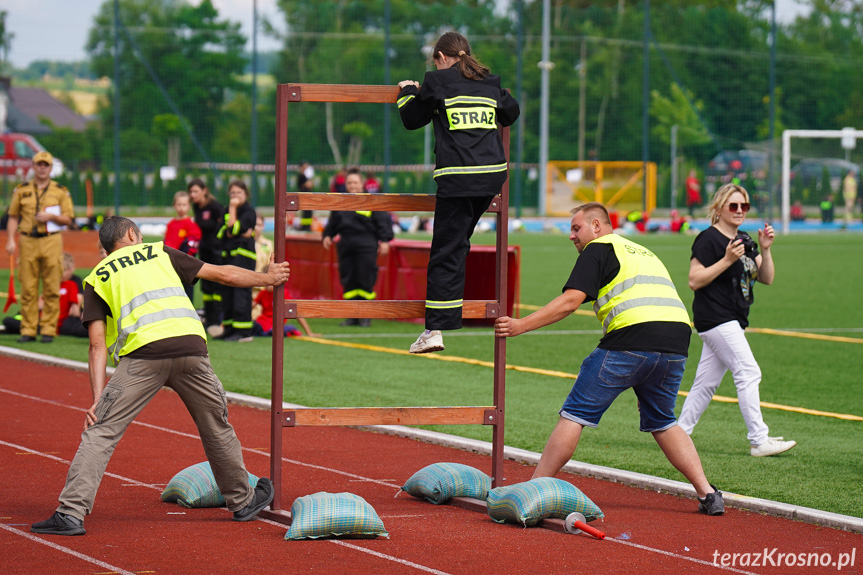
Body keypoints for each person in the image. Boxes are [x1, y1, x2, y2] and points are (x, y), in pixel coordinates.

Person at [30, 216, 287, 535]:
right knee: (216, 426)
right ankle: (243, 500)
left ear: (107, 247)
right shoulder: (160, 252)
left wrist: (98, 400)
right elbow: (222, 274)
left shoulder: (97, 276)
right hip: (191, 349)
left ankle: (70, 513)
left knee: (101, 431)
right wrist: (267, 277)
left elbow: (97, 346)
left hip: (142, 357)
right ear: (132, 234)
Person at [494, 202, 724, 515]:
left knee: (574, 414)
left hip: (632, 340)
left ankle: (534, 488)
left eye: (576, 228)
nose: (572, 236)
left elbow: (569, 302)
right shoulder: (642, 251)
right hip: (677, 343)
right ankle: (708, 494)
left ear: (598, 226)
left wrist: (520, 325)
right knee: (664, 421)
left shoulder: (598, 248)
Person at [397, 30, 520, 353]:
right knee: (457, 243)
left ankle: (435, 329)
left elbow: (411, 119)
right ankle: (438, 323)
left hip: (458, 178)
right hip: (492, 177)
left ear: (440, 58)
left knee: (447, 250)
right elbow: (512, 112)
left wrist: (408, 92)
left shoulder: (436, 81)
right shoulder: (490, 82)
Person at [677, 184, 796, 458]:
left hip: (732, 319)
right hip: (717, 318)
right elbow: (694, 280)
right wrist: (727, 259)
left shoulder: (743, 238)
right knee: (749, 371)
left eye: (744, 206)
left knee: (705, 384)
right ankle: (759, 439)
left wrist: (765, 250)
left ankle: (680, 434)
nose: (740, 210)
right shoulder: (708, 239)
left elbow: (766, 278)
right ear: (719, 209)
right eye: (734, 206)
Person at [4, 151, 75, 343]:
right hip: (27, 240)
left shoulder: (60, 191)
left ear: (51, 168)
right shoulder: (21, 190)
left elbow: (68, 219)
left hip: (51, 240)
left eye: (46, 165)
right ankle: (28, 329)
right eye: (39, 164)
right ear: (33, 166)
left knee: (52, 286)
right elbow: (12, 216)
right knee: (28, 288)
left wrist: (52, 217)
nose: (42, 168)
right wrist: (10, 239)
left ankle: (48, 329)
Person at [322, 168, 393, 327]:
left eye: (355, 182)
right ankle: (352, 316)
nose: (352, 185)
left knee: (365, 278)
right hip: (346, 245)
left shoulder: (371, 201)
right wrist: (327, 235)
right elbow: (332, 223)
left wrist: (385, 240)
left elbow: (383, 223)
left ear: (362, 184)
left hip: (366, 245)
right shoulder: (341, 202)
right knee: (348, 280)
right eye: (349, 183)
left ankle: (366, 316)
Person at [3, 253, 87, 338]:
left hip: (60, 322)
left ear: (71, 269)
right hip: (51, 322)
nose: (60, 274)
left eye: (63, 271)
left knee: (74, 327)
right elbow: (40, 305)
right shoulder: (54, 283)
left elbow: (75, 309)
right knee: (8, 321)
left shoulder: (73, 284)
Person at [217, 180, 257, 342]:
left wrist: (233, 211)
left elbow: (233, 228)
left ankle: (243, 331)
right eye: (232, 193)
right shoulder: (225, 210)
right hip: (228, 256)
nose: (234, 197)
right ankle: (229, 328)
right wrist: (233, 230)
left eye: (238, 193)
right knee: (226, 292)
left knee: (241, 293)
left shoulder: (249, 211)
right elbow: (223, 232)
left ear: (246, 194)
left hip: (244, 257)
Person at [188, 178, 224, 333]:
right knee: (206, 286)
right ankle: (208, 318)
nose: (192, 194)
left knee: (216, 285)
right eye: (190, 192)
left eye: (195, 191)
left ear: (204, 191)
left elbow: (222, 225)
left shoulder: (215, 206)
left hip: (216, 251)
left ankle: (217, 318)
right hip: (204, 251)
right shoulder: (197, 207)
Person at [164, 191, 202, 301]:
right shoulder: (171, 224)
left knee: (186, 293)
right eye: (179, 204)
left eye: (184, 205)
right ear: (174, 205)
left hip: (184, 265)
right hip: (170, 264)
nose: (181, 207)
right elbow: (166, 242)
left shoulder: (190, 225)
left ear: (188, 206)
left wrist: (183, 261)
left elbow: (192, 246)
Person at [296, 161, 314, 231]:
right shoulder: (301, 176)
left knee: (308, 212)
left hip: (307, 195)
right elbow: (308, 185)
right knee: (306, 211)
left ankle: (307, 226)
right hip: (304, 195)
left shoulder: (304, 175)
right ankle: (305, 226)